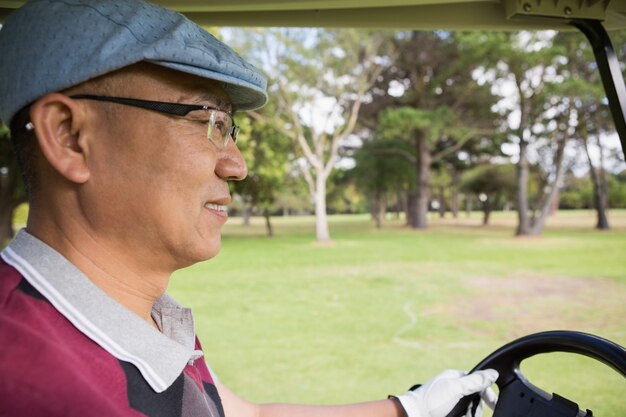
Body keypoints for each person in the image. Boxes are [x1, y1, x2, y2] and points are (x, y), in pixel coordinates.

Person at [0, 1, 498, 416]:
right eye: (207, 121)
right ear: (70, 137)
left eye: (230, 128)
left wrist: (410, 409)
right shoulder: (32, 383)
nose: (236, 165)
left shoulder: (127, 316)